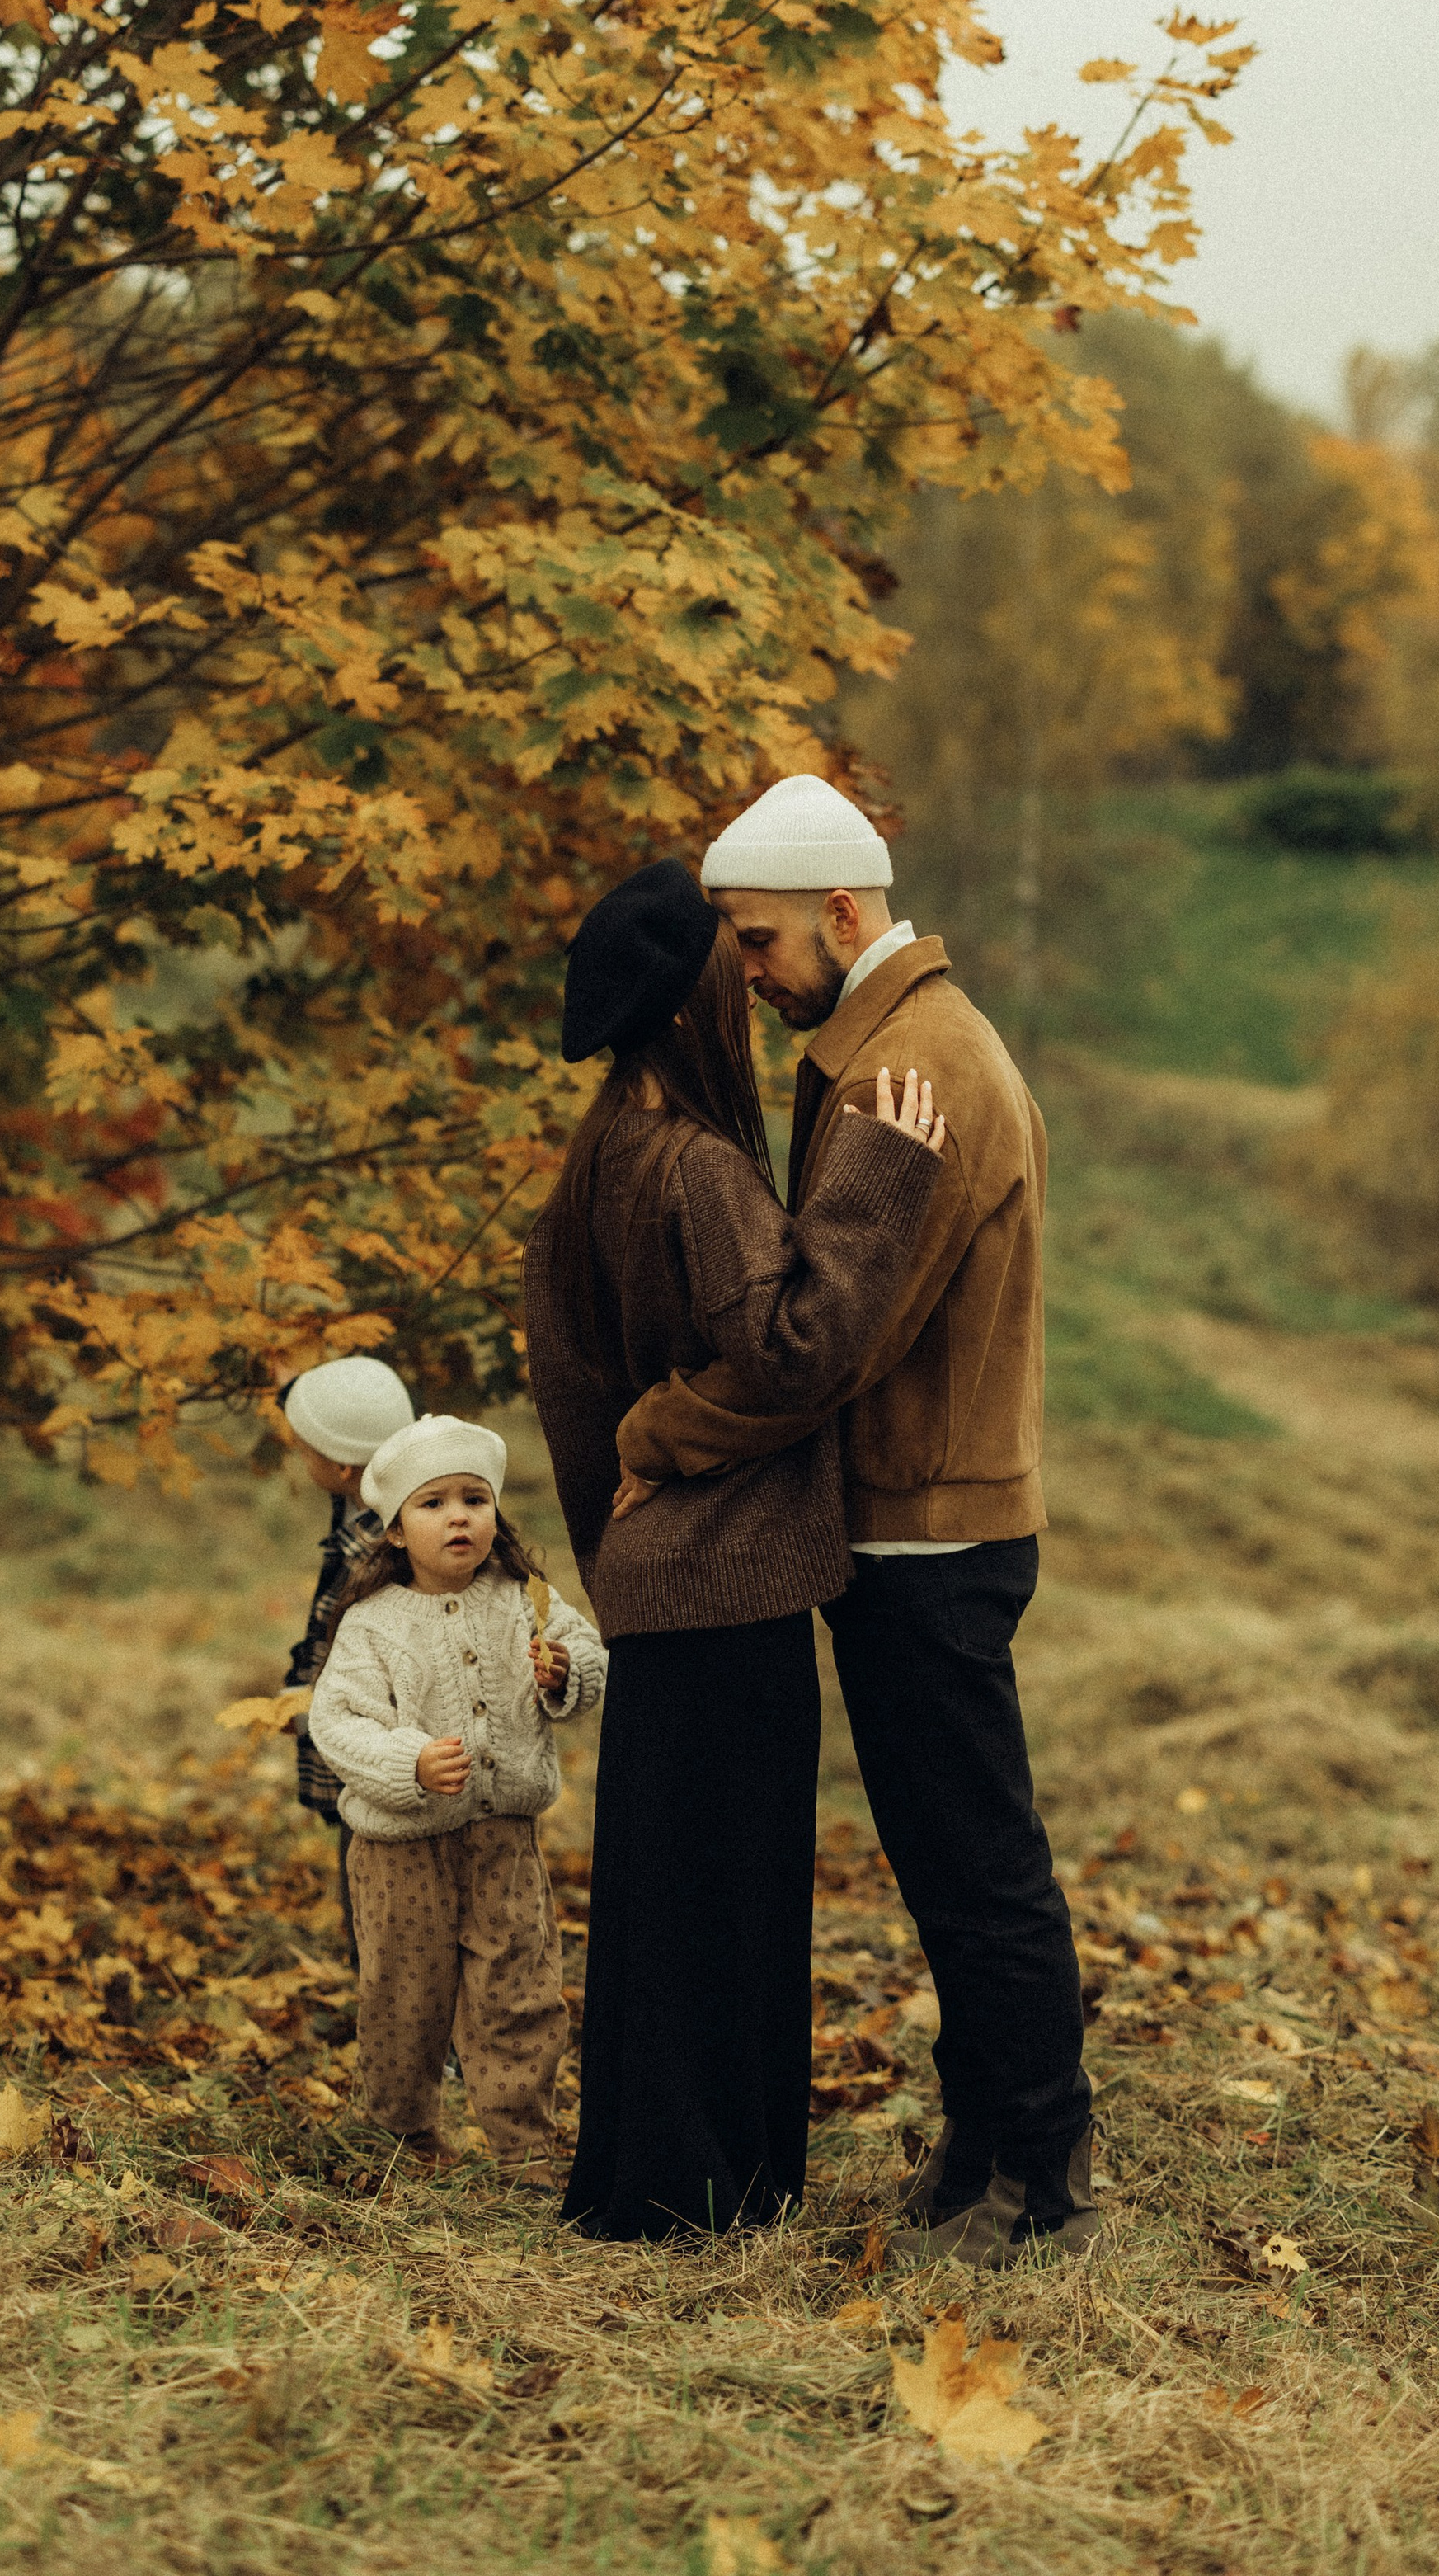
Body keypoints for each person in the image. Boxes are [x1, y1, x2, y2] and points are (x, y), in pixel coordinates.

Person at [612, 775, 1098, 2268]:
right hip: (906, 1523)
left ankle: (1044, 2170)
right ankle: (982, 2143)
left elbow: (821, 1344)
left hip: (932, 1535)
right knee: (944, 1855)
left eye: (757, 941)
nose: (742, 974)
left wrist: (662, 1435)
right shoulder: (878, 1046)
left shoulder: (926, 1070)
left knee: (978, 1861)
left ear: (842, 911)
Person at [521, 856, 947, 2241]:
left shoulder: (605, 1150)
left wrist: (622, 1500)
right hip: (726, 1581)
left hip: (662, 1581)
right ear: (698, 1004)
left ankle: (663, 2175)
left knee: (669, 1885)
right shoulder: (695, 1166)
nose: (753, 987)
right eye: (732, 968)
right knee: (727, 1890)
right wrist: (881, 1175)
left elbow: (579, 1380)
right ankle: (699, 2191)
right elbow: (793, 1346)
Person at [308, 1414, 605, 2182]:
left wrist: (565, 1674)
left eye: (474, 1498)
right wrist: (410, 1764)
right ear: (399, 1530)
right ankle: (402, 2132)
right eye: (432, 1503)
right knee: (407, 1992)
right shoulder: (373, 1624)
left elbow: (594, 1658)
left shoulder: (525, 1600)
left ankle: (527, 2143)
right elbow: (336, 1721)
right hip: (401, 1851)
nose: (458, 1516)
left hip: (504, 1840)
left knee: (520, 1986)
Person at [279, 1353, 416, 1835]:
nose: (300, 1455)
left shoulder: (381, 1556)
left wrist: (305, 1709)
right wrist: (291, 1388)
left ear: (339, 1466)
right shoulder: (370, 1497)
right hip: (356, 1750)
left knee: (368, 1881)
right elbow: (347, 1425)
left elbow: (351, 1664)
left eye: (304, 1450)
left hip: (373, 1764)